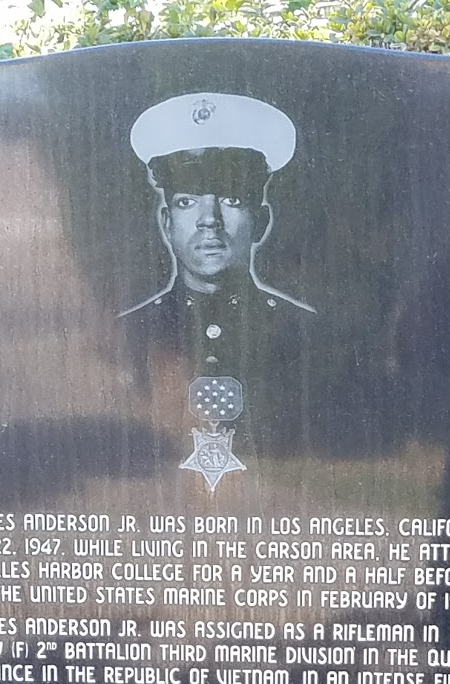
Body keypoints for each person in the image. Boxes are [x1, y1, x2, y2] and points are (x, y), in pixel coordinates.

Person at [120, 92, 317, 489]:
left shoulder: (307, 334)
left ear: (260, 221)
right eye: (187, 201)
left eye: (231, 199)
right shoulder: (129, 333)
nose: (209, 220)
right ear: (165, 222)